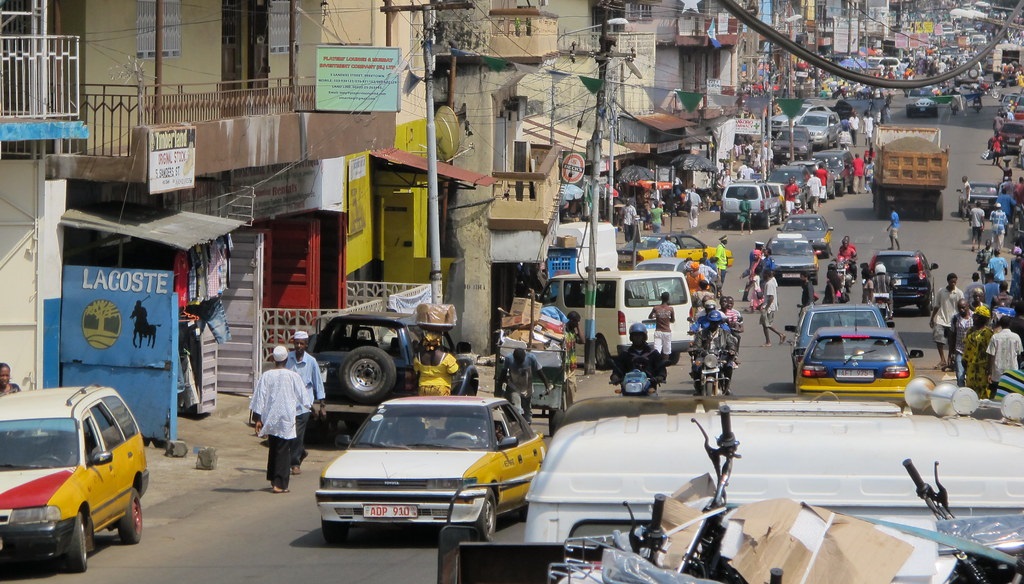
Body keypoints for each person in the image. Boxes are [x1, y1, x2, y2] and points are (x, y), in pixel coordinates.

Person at [250, 346, 309, 494]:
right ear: (286, 359)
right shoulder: (293, 376)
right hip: (286, 417)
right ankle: (280, 484)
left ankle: (272, 478)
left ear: (273, 359)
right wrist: (309, 407)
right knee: (284, 450)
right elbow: (303, 396)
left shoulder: (266, 375)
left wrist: (257, 418)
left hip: (270, 417)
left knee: (274, 447)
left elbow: (259, 397)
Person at [286, 330, 325, 476]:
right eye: (296, 343)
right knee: (289, 433)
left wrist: (322, 404)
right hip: (288, 402)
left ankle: (294, 463)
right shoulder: (287, 359)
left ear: (306, 345)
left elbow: (318, 383)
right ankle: (301, 452)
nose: (298, 346)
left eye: (301, 344)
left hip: (304, 405)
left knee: (297, 434)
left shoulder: (311, 361)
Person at [689, 310, 740, 395]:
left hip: (720, 356)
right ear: (709, 322)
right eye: (712, 322)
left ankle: (726, 387)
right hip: (704, 356)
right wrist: (696, 349)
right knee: (695, 366)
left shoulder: (725, 333)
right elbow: (696, 345)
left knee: (729, 366)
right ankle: (698, 388)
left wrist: (731, 350)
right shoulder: (701, 333)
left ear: (719, 322)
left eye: (716, 322)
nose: (714, 324)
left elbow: (731, 343)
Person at [496, 348, 551, 423]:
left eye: (521, 361)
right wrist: (498, 389)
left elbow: (539, 372)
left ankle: (527, 425)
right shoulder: (509, 359)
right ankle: (518, 425)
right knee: (516, 408)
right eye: (518, 361)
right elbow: (503, 374)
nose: (519, 363)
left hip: (527, 387)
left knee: (527, 411)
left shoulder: (531, 358)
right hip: (514, 387)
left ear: (525, 357)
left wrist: (546, 385)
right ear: (514, 358)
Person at [610, 323, 667, 392]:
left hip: (649, 388)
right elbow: (618, 368)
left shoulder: (653, 354)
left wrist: (660, 376)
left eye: (640, 336)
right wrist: (615, 376)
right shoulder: (625, 354)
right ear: (631, 337)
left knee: (653, 397)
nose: (637, 338)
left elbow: (661, 367)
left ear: (645, 337)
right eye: (635, 336)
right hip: (628, 388)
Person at [930, 273, 964, 372]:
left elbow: (962, 306)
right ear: (948, 281)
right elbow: (937, 306)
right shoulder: (941, 292)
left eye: (955, 281)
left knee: (951, 342)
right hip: (941, 319)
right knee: (938, 339)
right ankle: (942, 359)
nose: (953, 283)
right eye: (952, 281)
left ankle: (950, 359)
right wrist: (932, 318)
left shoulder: (959, 293)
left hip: (953, 321)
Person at [414, 330, 460, 396]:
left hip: (423, 389)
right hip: (441, 389)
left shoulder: (418, 357)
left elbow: (417, 371)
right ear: (439, 342)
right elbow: (453, 372)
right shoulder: (447, 357)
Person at [988, 316, 1024, 398]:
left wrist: (990, 372)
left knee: (995, 393)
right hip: (1012, 372)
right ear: (1010, 324)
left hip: (997, 372)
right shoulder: (1016, 337)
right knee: (1011, 396)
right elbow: (1019, 355)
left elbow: (991, 356)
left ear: (1000, 324)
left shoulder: (995, 337)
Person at [963, 305, 995, 398]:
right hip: (970, 366)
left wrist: (990, 370)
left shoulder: (988, 333)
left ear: (983, 319)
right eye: (974, 316)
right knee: (970, 388)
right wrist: (964, 360)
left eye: (976, 317)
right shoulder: (970, 331)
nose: (974, 318)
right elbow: (966, 347)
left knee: (983, 389)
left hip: (982, 367)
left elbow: (990, 352)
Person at [759, 269, 786, 347]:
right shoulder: (773, 280)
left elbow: (771, 297)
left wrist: (766, 308)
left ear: (767, 275)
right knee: (765, 324)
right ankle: (772, 339)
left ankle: (774, 338)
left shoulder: (769, 284)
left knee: (766, 324)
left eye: (764, 275)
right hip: (770, 306)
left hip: (769, 307)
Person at [950, 299, 973, 387]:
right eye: (959, 308)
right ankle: (961, 393)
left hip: (971, 352)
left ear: (967, 306)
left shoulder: (974, 317)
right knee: (960, 375)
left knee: (971, 376)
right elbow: (952, 335)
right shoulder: (955, 318)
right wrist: (951, 352)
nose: (961, 310)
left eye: (963, 308)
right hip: (959, 350)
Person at [647, 291, 676, 361]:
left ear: (661, 298)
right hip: (667, 332)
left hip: (658, 331)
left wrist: (656, 316)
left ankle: (657, 363)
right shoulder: (670, 309)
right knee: (667, 350)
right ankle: (665, 364)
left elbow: (650, 317)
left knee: (657, 350)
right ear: (668, 299)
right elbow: (673, 320)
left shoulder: (656, 308)